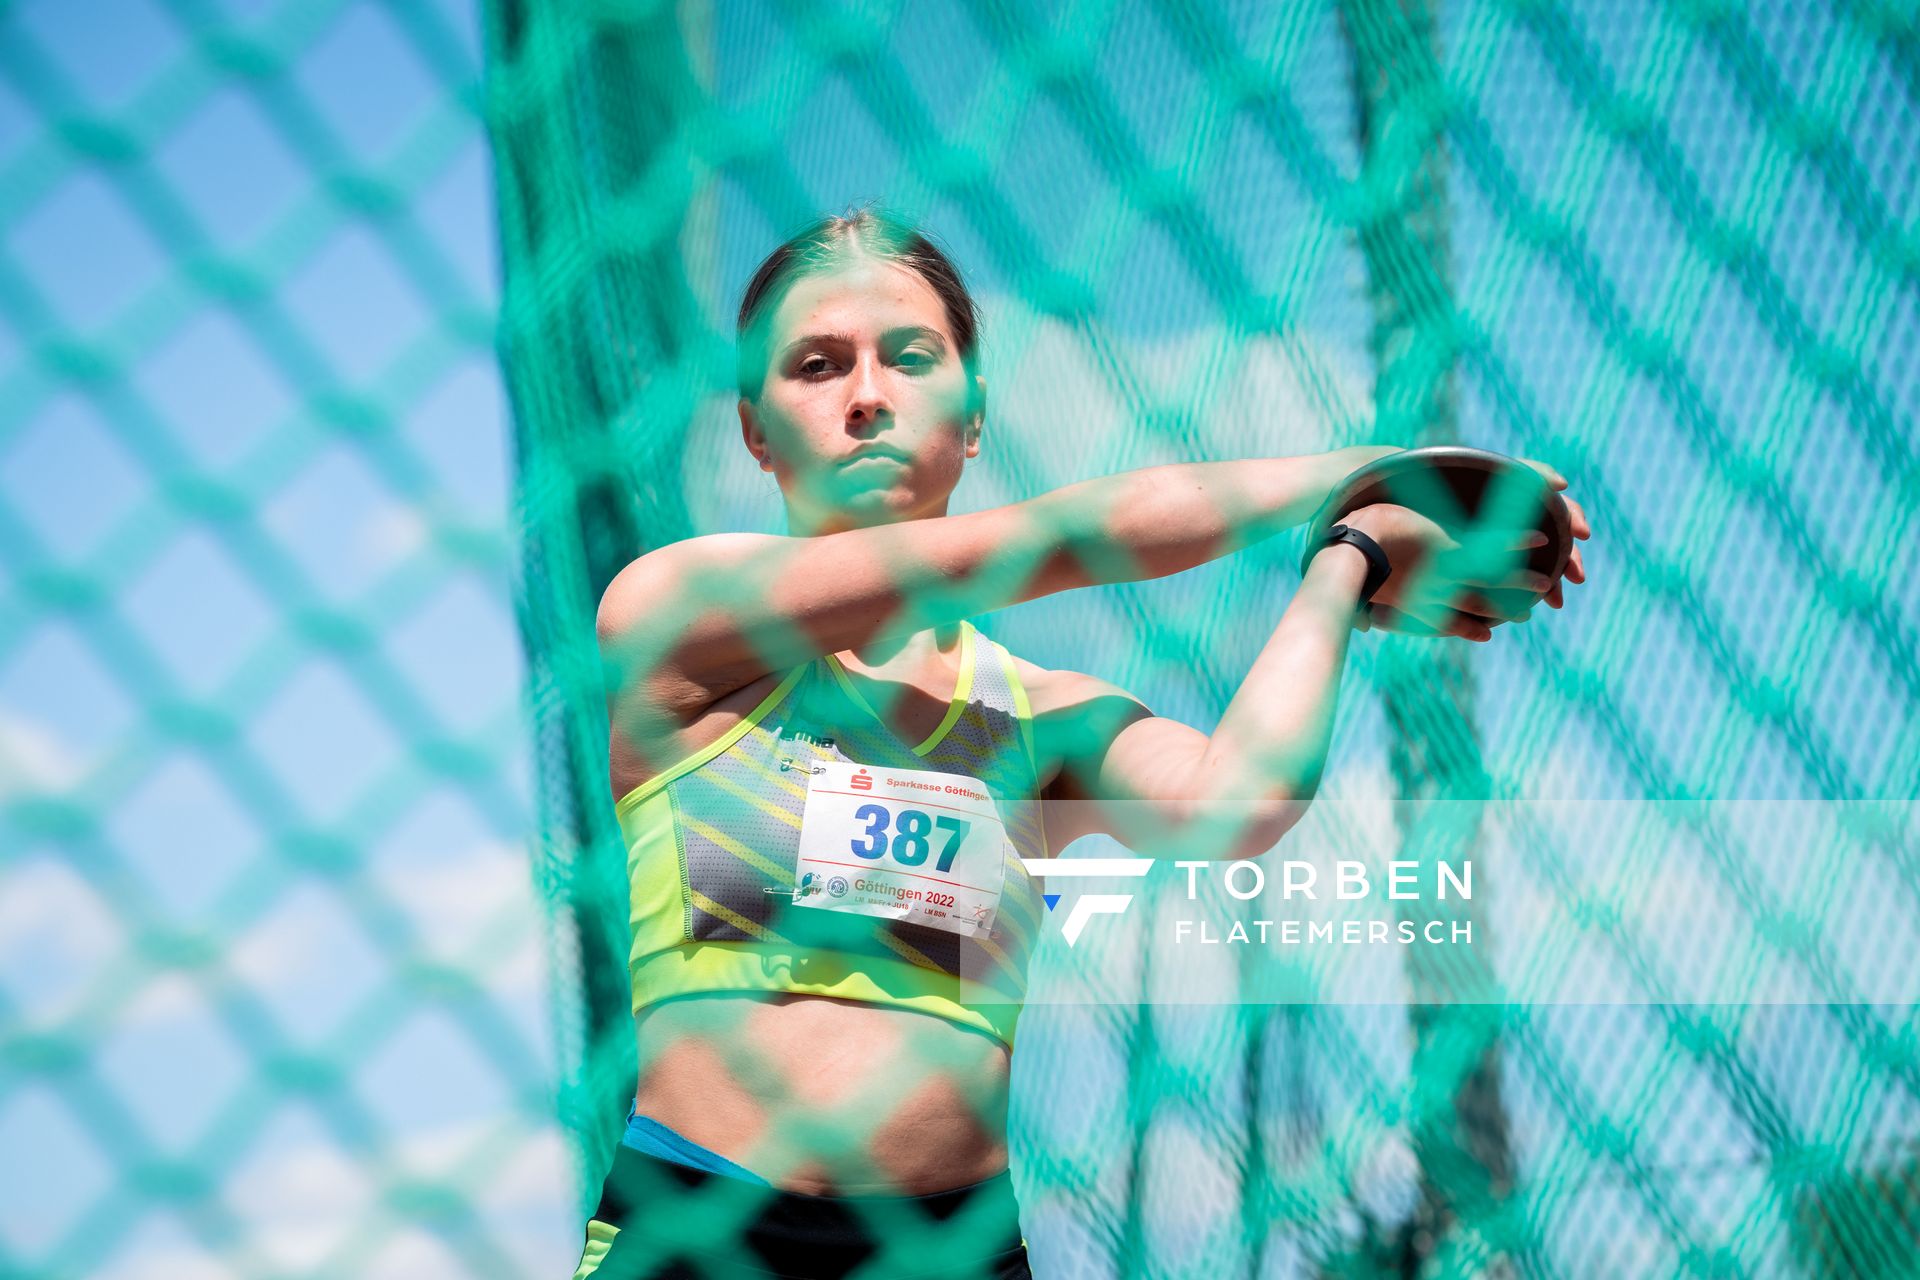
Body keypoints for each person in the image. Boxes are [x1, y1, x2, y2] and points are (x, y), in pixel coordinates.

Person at [574, 205, 1590, 1279]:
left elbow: (1238, 804)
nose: (867, 395)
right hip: (696, 1232)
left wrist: (1354, 555)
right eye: (818, 365)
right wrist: (1381, 467)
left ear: (971, 418)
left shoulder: (1040, 716)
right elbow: (1051, 540)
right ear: (756, 429)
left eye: (909, 358)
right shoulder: (678, 617)